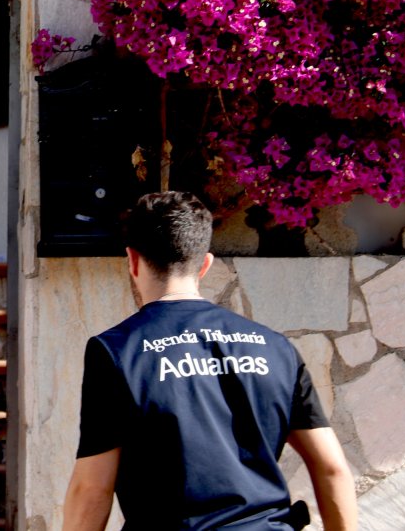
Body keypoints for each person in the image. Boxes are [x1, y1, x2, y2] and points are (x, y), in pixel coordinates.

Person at [63, 191, 357, 530]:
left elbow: (92, 488)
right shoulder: (276, 348)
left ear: (132, 261)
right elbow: (332, 468)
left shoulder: (116, 352)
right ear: (204, 264)